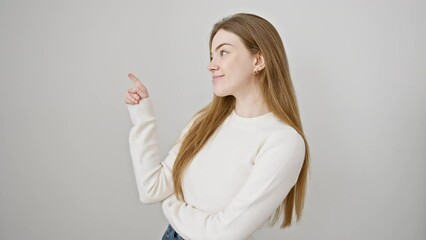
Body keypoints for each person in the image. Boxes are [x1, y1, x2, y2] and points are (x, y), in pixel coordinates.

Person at [124, 13, 310, 240]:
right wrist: (142, 116)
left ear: (258, 60)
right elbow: (152, 188)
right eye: (212, 56)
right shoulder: (204, 122)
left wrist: (173, 207)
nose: (211, 65)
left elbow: (224, 233)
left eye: (223, 52)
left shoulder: (284, 142)